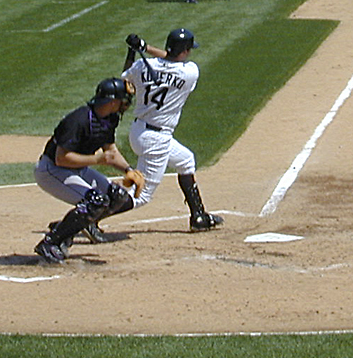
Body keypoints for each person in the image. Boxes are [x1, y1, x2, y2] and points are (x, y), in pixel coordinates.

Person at [121, 28, 224, 232]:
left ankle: (199, 216)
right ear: (185, 51)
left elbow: (126, 79)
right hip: (156, 139)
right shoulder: (189, 73)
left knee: (185, 160)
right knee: (142, 195)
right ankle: (86, 218)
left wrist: (135, 50)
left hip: (140, 131)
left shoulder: (142, 65)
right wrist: (147, 48)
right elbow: (172, 62)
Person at [32, 78, 145, 263]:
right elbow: (61, 158)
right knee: (96, 201)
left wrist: (128, 170)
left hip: (77, 169)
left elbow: (111, 151)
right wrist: (96, 160)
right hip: (51, 170)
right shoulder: (78, 120)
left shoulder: (110, 118)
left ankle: (67, 228)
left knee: (117, 196)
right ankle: (50, 243)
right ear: (112, 101)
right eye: (122, 100)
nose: (125, 104)